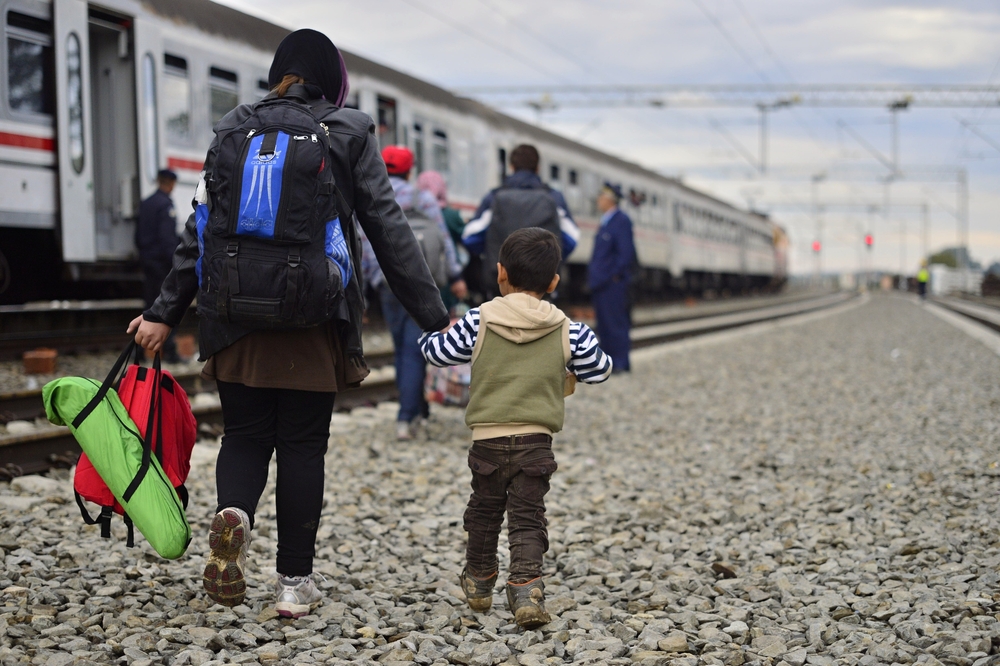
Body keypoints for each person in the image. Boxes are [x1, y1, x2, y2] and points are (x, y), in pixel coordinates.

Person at [127, 29, 449, 618]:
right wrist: (436, 319)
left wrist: (161, 313)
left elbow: (199, 229)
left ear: (278, 72)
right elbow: (389, 232)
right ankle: (295, 585)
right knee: (303, 446)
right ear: (332, 80)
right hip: (311, 318)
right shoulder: (348, 130)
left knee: (245, 436)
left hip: (235, 317)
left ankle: (235, 517)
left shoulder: (233, 127)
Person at [420, 227, 613, 628]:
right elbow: (600, 369)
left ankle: (479, 579)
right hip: (535, 442)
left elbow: (438, 353)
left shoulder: (479, 320)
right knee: (528, 516)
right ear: (555, 281)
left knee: (484, 511)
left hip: (487, 441)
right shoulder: (568, 328)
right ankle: (526, 589)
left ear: (499, 273)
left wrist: (425, 336)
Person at [370, 146, 467, 441]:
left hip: (385, 282)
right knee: (414, 350)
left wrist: (364, 283)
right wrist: (455, 274)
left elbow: (363, 242)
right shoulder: (422, 198)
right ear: (410, 171)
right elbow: (444, 240)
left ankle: (413, 411)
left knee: (400, 349)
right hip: (419, 282)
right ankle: (407, 417)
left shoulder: (372, 195)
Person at [462, 144, 579, 300]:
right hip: (541, 286)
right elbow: (571, 238)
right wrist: (550, 261)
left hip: (502, 285)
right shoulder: (553, 198)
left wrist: (491, 255)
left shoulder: (495, 197)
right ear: (537, 168)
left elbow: (470, 237)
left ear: (511, 166)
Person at [589, 183, 636, 373]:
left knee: (616, 323)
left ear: (610, 199)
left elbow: (625, 253)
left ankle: (620, 363)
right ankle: (609, 362)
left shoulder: (621, 221)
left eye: (601, 196)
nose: (598, 200)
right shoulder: (606, 221)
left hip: (612, 283)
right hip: (602, 282)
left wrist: (614, 275)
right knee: (604, 325)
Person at [135, 169, 181, 363]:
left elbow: (137, 236)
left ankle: (138, 351)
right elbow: (167, 239)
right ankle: (170, 352)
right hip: (162, 264)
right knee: (168, 305)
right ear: (170, 183)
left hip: (147, 262)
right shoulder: (165, 205)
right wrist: (176, 263)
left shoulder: (146, 203)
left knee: (149, 306)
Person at [417, 170, 468, 311]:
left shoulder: (416, 213)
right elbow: (464, 238)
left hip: (422, 269)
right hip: (444, 272)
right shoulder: (451, 215)